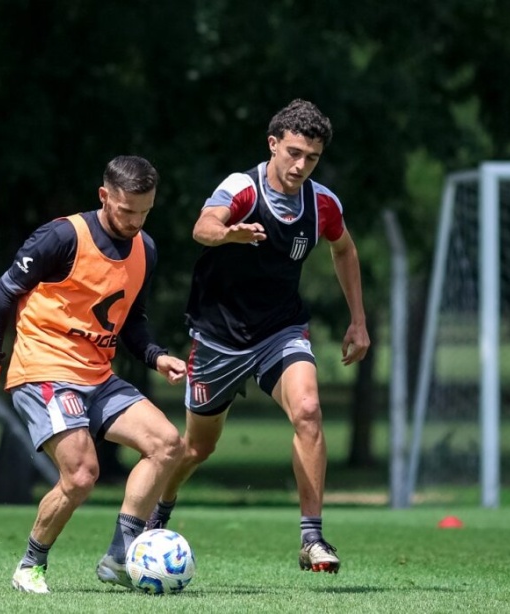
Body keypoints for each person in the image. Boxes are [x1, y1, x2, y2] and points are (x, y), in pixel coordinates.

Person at [146, 99, 370, 575]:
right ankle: (159, 512)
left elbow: (345, 251)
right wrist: (230, 233)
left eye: (311, 157)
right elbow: (203, 227)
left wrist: (358, 320)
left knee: (308, 410)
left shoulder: (323, 203)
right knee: (197, 447)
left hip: (281, 331)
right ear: (273, 144)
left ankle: (312, 538)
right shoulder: (241, 188)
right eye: (292, 152)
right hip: (219, 337)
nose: (300, 165)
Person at [0, 155, 186, 594]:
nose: (136, 221)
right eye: (126, 211)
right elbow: (2, 294)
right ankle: (31, 564)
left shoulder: (146, 249)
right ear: (104, 196)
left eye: (145, 211)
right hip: (44, 367)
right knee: (82, 474)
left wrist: (157, 357)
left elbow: (132, 320)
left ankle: (120, 557)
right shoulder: (62, 237)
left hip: (97, 376)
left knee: (167, 445)